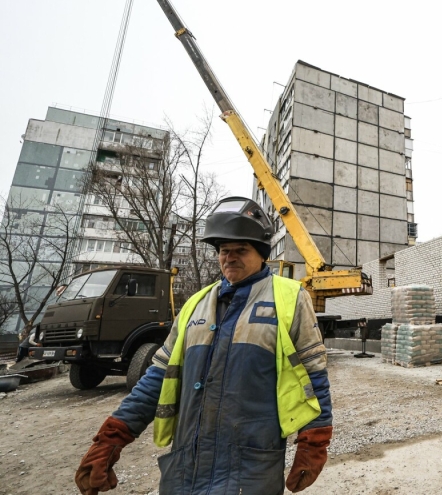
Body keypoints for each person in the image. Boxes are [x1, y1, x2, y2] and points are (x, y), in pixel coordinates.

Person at [74, 197, 332, 495]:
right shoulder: (195, 305)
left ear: (261, 255)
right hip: (186, 468)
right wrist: (112, 436)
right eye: (224, 251)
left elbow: (314, 375)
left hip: (250, 469)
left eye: (240, 250)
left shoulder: (289, 298)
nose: (229, 258)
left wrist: (315, 439)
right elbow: (158, 378)